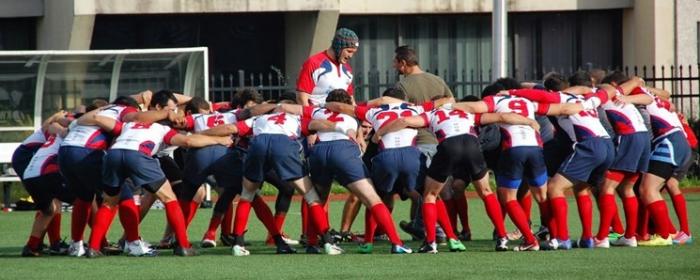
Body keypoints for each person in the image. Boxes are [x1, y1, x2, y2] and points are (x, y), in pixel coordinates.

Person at [81, 91, 230, 258]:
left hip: (114, 154)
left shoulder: (130, 123)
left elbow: (103, 123)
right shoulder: (162, 128)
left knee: (109, 202)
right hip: (138, 155)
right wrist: (219, 140)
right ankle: (183, 245)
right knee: (170, 198)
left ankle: (94, 247)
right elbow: (189, 141)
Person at [277, 89, 412, 254]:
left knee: (317, 199)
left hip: (319, 152)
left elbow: (287, 108)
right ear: (347, 103)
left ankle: (312, 243)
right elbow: (383, 99)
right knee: (372, 198)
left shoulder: (317, 110)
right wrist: (407, 104)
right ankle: (396, 242)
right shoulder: (353, 110)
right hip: (344, 150)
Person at [392, 45, 454, 242]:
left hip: (419, 140)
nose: (394, 66)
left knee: (423, 191)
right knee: (432, 190)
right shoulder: (437, 80)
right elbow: (452, 102)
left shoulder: (402, 86)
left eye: (395, 62)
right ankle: (421, 226)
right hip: (441, 139)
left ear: (403, 63)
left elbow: (402, 112)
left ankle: (435, 230)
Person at [19, 113, 73, 257]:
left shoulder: (61, 127)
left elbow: (51, 126)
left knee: (49, 208)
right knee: (84, 198)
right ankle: (93, 243)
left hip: (33, 169)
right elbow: (48, 126)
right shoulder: (76, 127)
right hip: (39, 165)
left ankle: (34, 245)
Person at [296, 28, 359, 107]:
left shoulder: (347, 69)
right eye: (349, 51)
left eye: (353, 52)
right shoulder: (313, 63)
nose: (350, 56)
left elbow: (351, 101)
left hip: (341, 116)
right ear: (338, 47)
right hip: (317, 116)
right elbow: (301, 99)